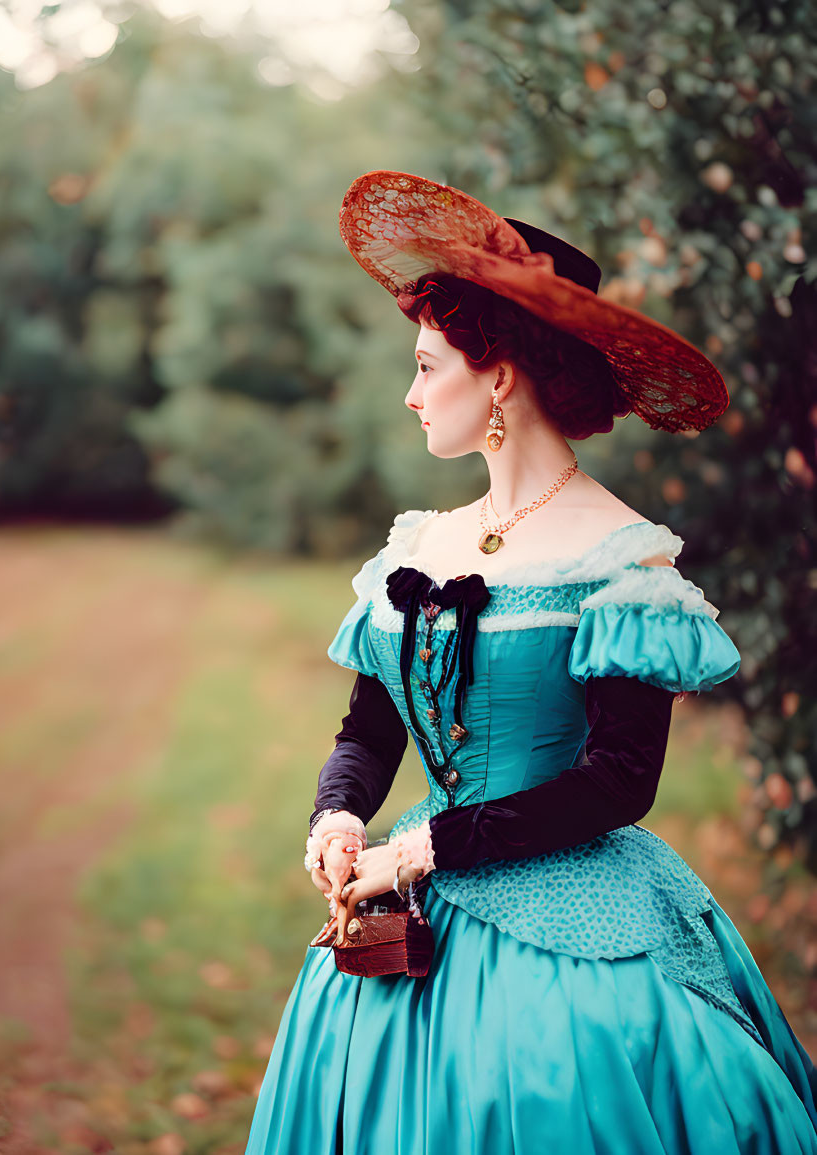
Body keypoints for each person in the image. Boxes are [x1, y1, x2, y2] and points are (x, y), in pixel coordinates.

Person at [244, 170, 817, 1154]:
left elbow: (617, 781)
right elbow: (370, 727)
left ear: (497, 373)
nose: (411, 393)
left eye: (428, 367)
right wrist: (338, 814)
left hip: (576, 928)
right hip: (404, 919)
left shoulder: (619, 558)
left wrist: (421, 849)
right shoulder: (420, 546)